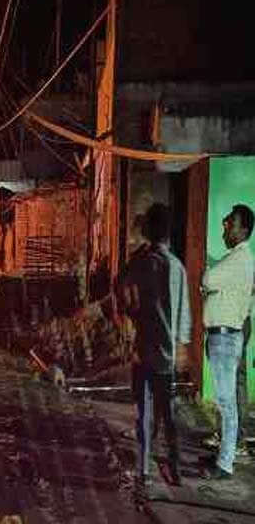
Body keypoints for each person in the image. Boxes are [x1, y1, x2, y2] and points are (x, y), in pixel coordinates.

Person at [117, 203, 191, 485]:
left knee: (144, 414)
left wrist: (132, 312)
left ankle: (143, 471)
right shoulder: (178, 267)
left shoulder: (142, 262)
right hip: (167, 354)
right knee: (169, 414)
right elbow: (185, 312)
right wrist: (181, 347)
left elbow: (121, 284)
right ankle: (174, 466)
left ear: (149, 230)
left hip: (143, 350)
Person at [201, 203, 255, 480]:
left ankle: (224, 464)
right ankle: (224, 455)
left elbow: (208, 278)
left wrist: (207, 284)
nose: (224, 224)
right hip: (222, 337)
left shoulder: (239, 258)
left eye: (230, 222)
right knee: (227, 402)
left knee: (227, 403)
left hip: (225, 338)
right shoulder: (236, 258)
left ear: (244, 229)